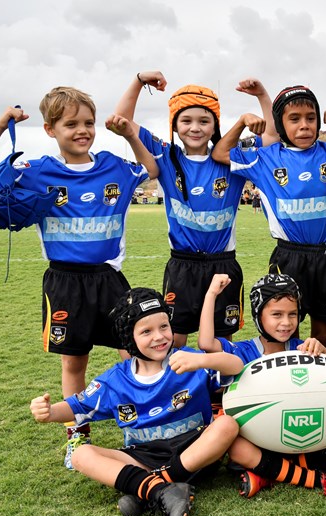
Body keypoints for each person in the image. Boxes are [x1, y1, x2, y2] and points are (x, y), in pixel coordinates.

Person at [0, 86, 159, 468]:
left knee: (135, 354)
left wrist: (131, 135)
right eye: (71, 124)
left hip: (110, 279)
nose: (82, 130)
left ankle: (145, 428)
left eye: (88, 122)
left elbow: (151, 169)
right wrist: (2, 125)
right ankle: (78, 438)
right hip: (64, 282)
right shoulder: (38, 172)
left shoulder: (114, 166)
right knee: (74, 363)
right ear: (50, 129)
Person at [29, 288, 244, 516]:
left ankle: (148, 490)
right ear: (129, 338)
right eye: (146, 331)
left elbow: (236, 365)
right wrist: (49, 412)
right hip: (143, 457)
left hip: (195, 452)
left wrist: (204, 360)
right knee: (81, 455)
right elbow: (77, 407)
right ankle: (162, 491)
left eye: (164, 326)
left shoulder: (188, 360)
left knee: (227, 425)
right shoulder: (114, 381)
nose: (159, 336)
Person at [115, 71, 275, 349]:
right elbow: (122, 122)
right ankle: (181, 392)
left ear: (215, 125)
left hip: (222, 263)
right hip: (182, 265)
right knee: (175, 338)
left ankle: (218, 392)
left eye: (204, 120)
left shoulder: (232, 158)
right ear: (174, 126)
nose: (195, 127)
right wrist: (139, 81)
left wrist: (262, 96)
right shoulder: (165, 155)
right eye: (186, 120)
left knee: (221, 340)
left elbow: (272, 136)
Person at [212, 84, 326, 350]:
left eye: (310, 118)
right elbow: (220, 153)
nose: (304, 125)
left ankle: (322, 388)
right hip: (288, 256)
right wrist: (240, 123)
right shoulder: (266, 158)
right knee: (282, 330)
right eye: (294, 119)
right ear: (280, 125)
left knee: (324, 333)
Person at [197, 273, 326, 499]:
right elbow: (206, 343)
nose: (286, 323)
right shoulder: (243, 350)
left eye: (292, 314)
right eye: (277, 314)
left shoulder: (304, 347)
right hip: (260, 441)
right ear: (258, 315)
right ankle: (319, 478)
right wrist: (211, 294)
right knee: (236, 447)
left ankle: (268, 474)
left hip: (305, 438)